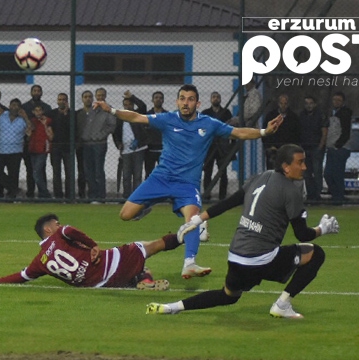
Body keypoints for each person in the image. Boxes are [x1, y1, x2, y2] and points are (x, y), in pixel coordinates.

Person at [93, 84, 283, 279]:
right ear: (177, 102)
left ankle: (189, 263)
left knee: (193, 219)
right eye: (182, 98)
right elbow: (136, 117)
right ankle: (147, 206)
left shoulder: (209, 123)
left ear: (197, 103)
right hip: (161, 178)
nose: (186, 103)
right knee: (125, 215)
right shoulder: (168, 119)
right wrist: (112, 110)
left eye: (190, 99)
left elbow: (238, 132)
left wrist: (264, 132)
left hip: (187, 184)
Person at [146, 144, 339, 319]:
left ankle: (171, 307)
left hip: (236, 257)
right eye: (300, 162)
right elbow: (302, 235)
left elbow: (230, 202)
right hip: (261, 260)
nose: (304, 167)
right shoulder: (290, 191)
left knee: (228, 296)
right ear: (286, 167)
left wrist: (197, 219)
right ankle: (282, 305)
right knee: (316, 254)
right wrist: (323, 229)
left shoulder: (261, 177)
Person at [0, 213, 181, 290]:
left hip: (101, 285)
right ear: (48, 230)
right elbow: (69, 230)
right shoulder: (60, 233)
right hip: (109, 263)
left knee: (143, 270)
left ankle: (143, 282)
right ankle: (187, 234)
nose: (59, 225)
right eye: (56, 223)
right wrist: (93, 244)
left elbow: (22, 276)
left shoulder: (39, 262)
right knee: (150, 246)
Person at [80, 88, 116, 202]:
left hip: (99, 144)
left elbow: (112, 125)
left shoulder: (108, 109)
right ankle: (92, 195)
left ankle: (101, 196)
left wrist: (101, 135)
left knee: (98, 170)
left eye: (102, 95)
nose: (100, 97)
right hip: (87, 144)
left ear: (105, 96)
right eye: (98, 95)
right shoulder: (91, 109)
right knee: (88, 171)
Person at [0, 98, 30, 199]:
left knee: (14, 175)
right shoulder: (2, 116)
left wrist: (26, 117)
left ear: (20, 108)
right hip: (0, 149)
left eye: (17, 105)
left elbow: (31, 129)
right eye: (13, 105)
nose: (14, 107)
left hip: (16, 151)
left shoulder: (22, 119)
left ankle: (11, 197)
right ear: (9, 106)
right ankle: (15, 189)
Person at [114, 92, 148, 198]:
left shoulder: (137, 115)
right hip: (125, 150)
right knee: (126, 175)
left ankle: (136, 197)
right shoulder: (120, 117)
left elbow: (143, 106)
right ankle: (126, 197)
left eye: (130, 104)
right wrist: (118, 143)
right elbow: (115, 133)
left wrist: (132, 97)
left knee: (137, 175)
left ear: (133, 105)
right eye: (126, 104)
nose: (128, 106)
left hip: (138, 149)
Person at [201, 91, 234, 201]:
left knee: (223, 172)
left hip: (222, 147)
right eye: (214, 97)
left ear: (220, 99)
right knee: (207, 171)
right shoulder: (205, 113)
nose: (216, 99)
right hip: (209, 146)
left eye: (218, 97)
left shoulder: (226, 113)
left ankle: (222, 196)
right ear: (211, 99)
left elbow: (231, 130)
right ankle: (207, 195)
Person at [22, 85, 53, 198]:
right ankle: (31, 193)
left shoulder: (47, 109)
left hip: (42, 147)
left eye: (38, 90)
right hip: (30, 145)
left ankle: (43, 194)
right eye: (34, 91)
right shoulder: (24, 107)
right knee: (31, 170)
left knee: (39, 170)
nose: (36, 92)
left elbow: (50, 131)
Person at [323, 91, 353, 203]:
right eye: (335, 100)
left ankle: (339, 197)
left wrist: (337, 145)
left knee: (337, 174)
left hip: (340, 148)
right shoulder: (332, 113)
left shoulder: (345, 114)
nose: (336, 102)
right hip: (331, 148)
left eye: (339, 100)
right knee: (328, 174)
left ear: (343, 102)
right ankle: (336, 195)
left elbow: (346, 133)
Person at [298, 96, 328, 201]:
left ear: (315, 104)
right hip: (305, 148)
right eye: (306, 103)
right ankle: (310, 194)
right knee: (306, 173)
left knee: (317, 172)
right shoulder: (302, 115)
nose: (309, 105)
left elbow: (324, 132)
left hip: (316, 147)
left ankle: (317, 194)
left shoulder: (320, 115)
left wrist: (320, 146)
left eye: (311, 103)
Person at [262, 94, 300, 170]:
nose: (283, 106)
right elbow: (265, 132)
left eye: (285, 103)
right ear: (278, 103)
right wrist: (269, 146)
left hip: (288, 150)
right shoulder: (271, 116)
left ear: (288, 104)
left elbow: (297, 134)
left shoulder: (293, 117)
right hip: (273, 149)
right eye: (281, 103)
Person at [28, 104, 53, 198]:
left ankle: (45, 193)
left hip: (42, 149)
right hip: (33, 149)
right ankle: (42, 194)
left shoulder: (48, 121)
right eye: (36, 110)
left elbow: (51, 136)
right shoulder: (32, 121)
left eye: (40, 110)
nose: (38, 112)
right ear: (33, 112)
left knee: (36, 173)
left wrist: (45, 125)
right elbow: (28, 134)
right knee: (36, 173)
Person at [48, 93, 71, 199]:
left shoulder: (71, 114)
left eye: (64, 99)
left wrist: (66, 114)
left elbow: (73, 128)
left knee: (69, 172)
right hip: (55, 147)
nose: (62, 101)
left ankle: (69, 196)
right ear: (57, 101)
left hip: (68, 147)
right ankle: (58, 196)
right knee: (56, 172)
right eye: (60, 99)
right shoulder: (52, 113)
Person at [74, 91, 93, 199]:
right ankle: (82, 194)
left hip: (93, 145)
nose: (88, 99)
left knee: (93, 171)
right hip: (81, 146)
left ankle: (93, 194)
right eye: (85, 97)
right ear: (82, 99)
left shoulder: (96, 113)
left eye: (90, 97)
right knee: (81, 171)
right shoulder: (78, 114)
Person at [144, 91, 166, 179]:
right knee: (149, 173)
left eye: (160, 98)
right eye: (156, 97)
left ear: (163, 100)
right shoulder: (147, 115)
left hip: (163, 149)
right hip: (150, 149)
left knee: (164, 174)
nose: (158, 99)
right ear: (152, 100)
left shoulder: (167, 115)